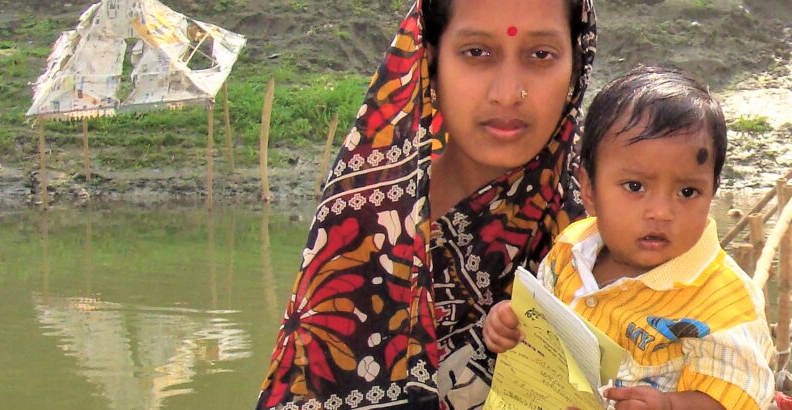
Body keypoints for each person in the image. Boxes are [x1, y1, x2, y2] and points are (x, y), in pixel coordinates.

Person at [257, 0, 597, 408]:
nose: (509, 93)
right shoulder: (365, 229)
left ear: (575, 68)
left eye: (541, 55)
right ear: (430, 64)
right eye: (477, 53)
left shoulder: (617, 226)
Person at [483, 66, 775, 409]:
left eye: (688, 191)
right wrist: (509, 325)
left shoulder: (724, 302)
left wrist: (669, 405)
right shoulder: (570, 250)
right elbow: (540, 330)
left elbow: (737, 395)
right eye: (635, 187)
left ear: (712, 192)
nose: (661, 211)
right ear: (589, 189)